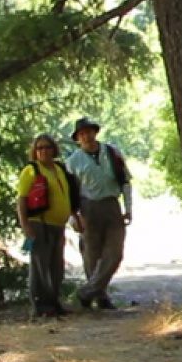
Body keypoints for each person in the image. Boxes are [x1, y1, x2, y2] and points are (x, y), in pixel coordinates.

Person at [65, 117, 132, 310]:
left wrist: (128, 208)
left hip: (112, 205)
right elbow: (69, 192)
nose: (86, 136)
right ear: (78, 138)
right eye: (81, 134)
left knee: (115, 252)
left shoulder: (112, 153)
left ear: (95, 132)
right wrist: (73, 217)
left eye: (88, 131)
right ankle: (100, 297)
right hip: (88, 208)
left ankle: (87, 292)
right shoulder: (73, 161)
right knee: (91, 253)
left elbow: (125, 181)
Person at [16, 134, 84, 318]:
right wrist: (25, 225)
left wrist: (75, 217)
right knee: (40, 267)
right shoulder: (31, 171)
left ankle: (54, 304)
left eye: (47, 147)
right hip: (39, 224)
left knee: (56, 267)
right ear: (35, 152)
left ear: (54, 149)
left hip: (58, 225)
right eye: (39, 148)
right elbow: (21, 200)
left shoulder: (60, 169)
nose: (43, 151)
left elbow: (68, 196)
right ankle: (41, 307)